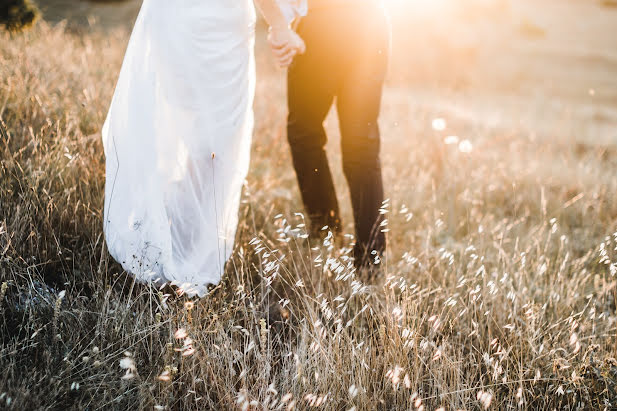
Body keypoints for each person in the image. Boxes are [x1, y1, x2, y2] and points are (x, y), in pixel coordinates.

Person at [102, 0, 304, 296]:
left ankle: (170, 235)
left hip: (175, 20)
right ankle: (183, 248)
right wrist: (279, 24)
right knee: (215, 142)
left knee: (188, 132)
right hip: (207, 27)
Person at [270, 0, 391, 271]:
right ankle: (358, 249)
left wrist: (280, 24)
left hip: (336, 22)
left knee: (311, 135)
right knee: (353, 142)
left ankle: (338, 236)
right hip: (359, 24)